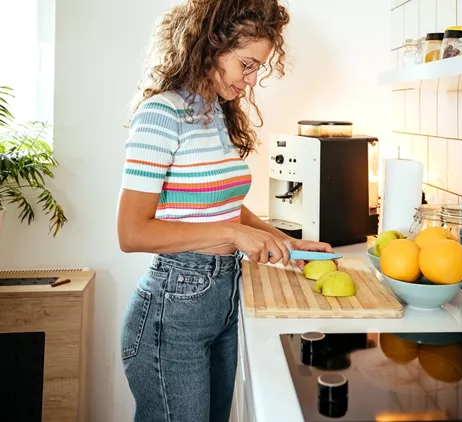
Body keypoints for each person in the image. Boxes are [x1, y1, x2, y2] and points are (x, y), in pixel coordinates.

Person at [116, 0, 333, 420]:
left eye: (258, 69)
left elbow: (225, 206)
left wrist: (288, 243)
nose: (251, 81)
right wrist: (233, 236)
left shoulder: (215, 112)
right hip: (172, 311)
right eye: (246, 65)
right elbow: (131, 233)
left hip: (223, 299)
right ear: (210, 45)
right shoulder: (161, 113)